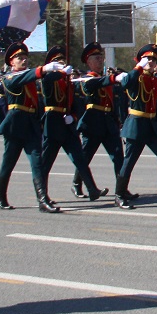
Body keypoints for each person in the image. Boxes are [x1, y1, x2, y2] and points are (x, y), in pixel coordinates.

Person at [0, 42, 67, 212]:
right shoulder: (9, 78)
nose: (24, 60)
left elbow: (45, 78)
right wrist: (43, 69)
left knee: (37, 162)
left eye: (25, 58)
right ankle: (0, 194)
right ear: (11, 62)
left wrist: (62, 71)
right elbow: (27, 76)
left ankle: (42, 199)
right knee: (8, 163)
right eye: (19, 58)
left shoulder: (29, 77)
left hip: (30, 126)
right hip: (15, 126)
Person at [38, 45, 104, 209]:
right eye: (57, 62)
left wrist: (73, 116)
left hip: (67, 125)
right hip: (53, 124)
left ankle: (92, 189)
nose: (61, 64)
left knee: (80, 159)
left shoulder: (68, 82)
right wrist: (59, 72)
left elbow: (75, 104)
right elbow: (47, 80)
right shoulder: (48, 79)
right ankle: (42, 195)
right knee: (46, 163)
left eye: (63, 62)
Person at [114, 44, 157, 209]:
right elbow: (125, 83)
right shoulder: (135, 76)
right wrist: (138, 67)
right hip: (136, 124)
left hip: (151, 125)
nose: (151, 61)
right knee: (129, 161)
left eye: (154, 59)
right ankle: (119, 194)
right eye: (148, 58)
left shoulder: (154, 80)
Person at [73, 42, 125, 200]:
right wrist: (112, 78)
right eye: (96, 58)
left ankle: (122, 189)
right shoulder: (87, 80)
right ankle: (77, 184)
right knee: (85, 156)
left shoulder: (104, 79)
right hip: (93, 123)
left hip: (108, 123)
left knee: (118, 157)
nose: (100, 60)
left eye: (101, 57)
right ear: (88, 62)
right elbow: (94, 85)